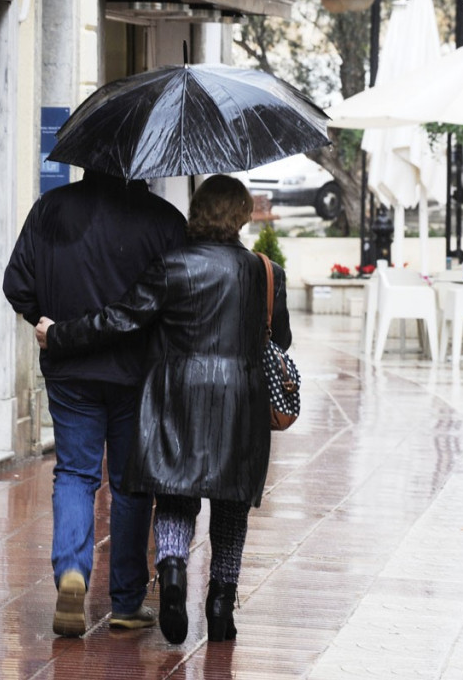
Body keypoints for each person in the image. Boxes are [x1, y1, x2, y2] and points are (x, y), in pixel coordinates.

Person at [35, 174, 291, 645]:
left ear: (198, 212)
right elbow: (281, 339)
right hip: (241, 402)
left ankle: (171, 575)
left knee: (175, 493)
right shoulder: (265, 271)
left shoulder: (173, 265)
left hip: (180, 396)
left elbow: (121, 318)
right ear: (241, 215)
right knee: (231, 505)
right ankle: (220, 605)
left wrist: (59, 335)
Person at [3, 169, 186, 636]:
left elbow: (16, 284)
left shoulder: (51, 208)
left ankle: (72, 571)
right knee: (130, 485)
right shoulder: (164, 220)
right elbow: (178, 299)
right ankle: (125, 602)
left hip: (69, 367)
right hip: (135, 374)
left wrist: (47, 322)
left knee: (75, 473)